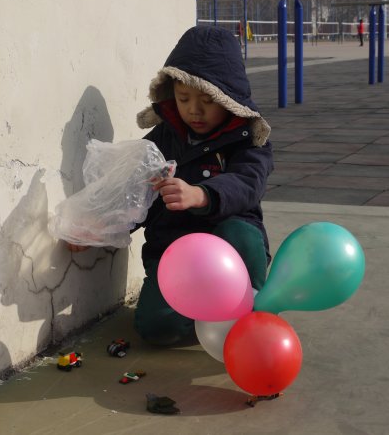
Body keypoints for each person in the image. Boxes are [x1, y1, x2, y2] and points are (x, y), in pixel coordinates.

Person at [68, 25, 273, 346]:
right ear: (170, 95)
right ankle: (210, 321)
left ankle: (255, 304)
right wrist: (99, 229)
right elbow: (136, 194)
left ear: (230, 99)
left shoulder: (246, 139)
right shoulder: (161, 141)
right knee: (155, 328)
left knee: (240, 233)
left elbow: (247, 183)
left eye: (208, 100)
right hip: (175, 253)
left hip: (228, 245)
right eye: (183, 98)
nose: (194, 109)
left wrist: (200, 195)